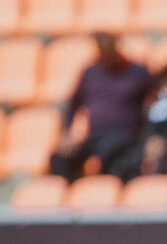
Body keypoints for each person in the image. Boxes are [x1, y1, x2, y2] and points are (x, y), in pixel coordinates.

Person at [49, 32, 156, 183]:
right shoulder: (90, 73)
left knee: (108, 152)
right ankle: (68, 195)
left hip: (124, 135)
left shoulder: (136, 72)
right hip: (95, 135)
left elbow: (157, 95)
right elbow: (73, 104)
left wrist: (151, 133)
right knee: (60, 157)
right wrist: (67, 133)